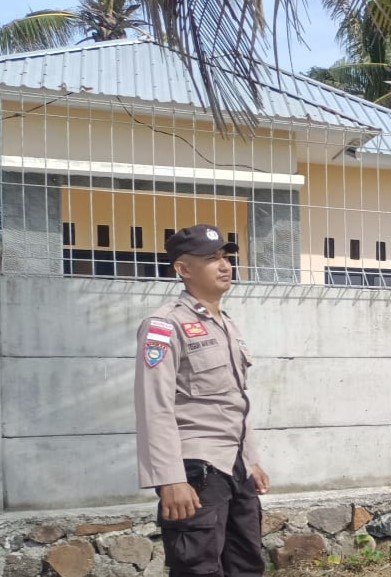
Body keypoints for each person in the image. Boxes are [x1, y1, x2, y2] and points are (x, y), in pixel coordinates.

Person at [134, 224, 270, 577]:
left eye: (225, 257)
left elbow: (236, 400)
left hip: (234, 467)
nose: (224, 265)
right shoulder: (165, 325)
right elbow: (155, 406)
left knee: (246, 565)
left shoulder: (225, 324)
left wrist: (251, 459)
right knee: (198, 568)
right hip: (197, 470)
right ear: (184, 269)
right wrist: (170, 479)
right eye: (211, 259)